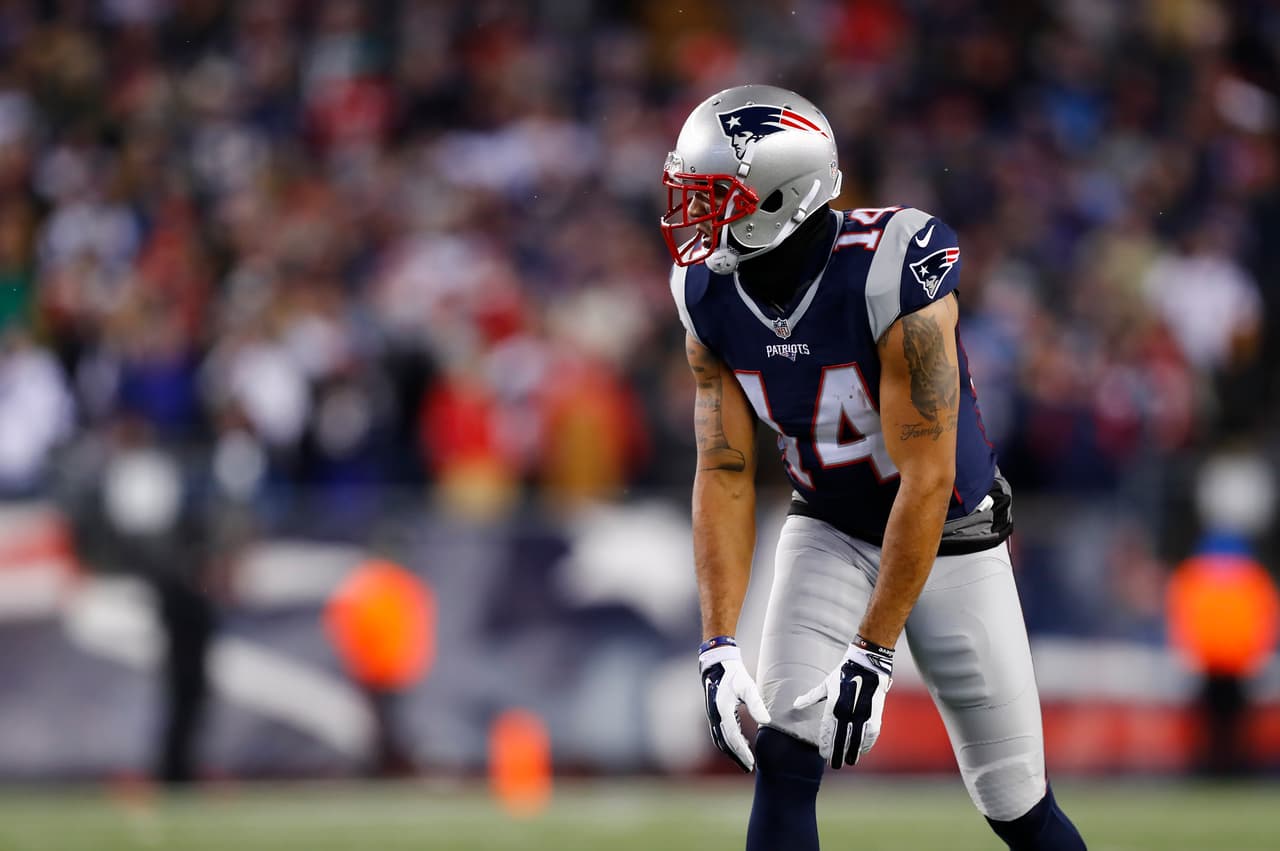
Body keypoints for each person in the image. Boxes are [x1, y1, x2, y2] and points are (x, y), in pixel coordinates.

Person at [661, 85, 1087, 851]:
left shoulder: (895, 264)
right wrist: (718, 640)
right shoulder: (706, 293)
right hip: (830, 523)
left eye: (714, 195)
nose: (694, 214)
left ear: (778, 198)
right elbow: (723, 466)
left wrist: (874, 648)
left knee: (1015, 802)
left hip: (951, 531)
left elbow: (927, 476)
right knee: (784, 753)